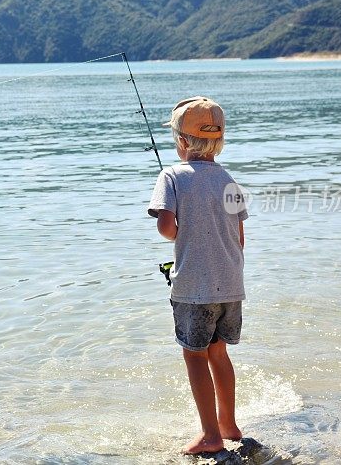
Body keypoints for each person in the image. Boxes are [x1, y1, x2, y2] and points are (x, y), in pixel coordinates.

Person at [147, 96, 248, 454]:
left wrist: (182, 235)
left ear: (182, 141)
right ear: (218, 140)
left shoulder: (171, 175)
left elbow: (165, 227)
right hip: (231, 287)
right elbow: (239, 238)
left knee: (195, 355)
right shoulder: (230, 180)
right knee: (219, 354)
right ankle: (229, 424)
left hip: (194, 288)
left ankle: (210, 436)